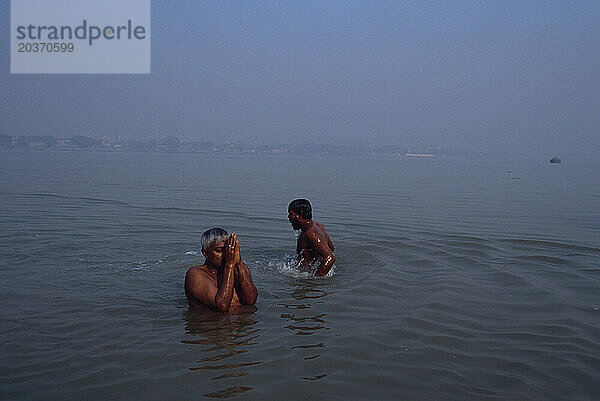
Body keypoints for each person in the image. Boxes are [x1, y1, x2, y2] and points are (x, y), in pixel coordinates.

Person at [185, 228, 258, 312]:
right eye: (219, 251)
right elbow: (222, 306)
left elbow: (251, 300)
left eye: (227, 250)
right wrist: (229, 265)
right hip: (213, 324)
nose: (226, 255)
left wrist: (239, 264)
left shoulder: (238, 269)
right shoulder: (195, 274)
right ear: (205, 253)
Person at [288, 199, 335, 276]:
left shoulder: (311, 234)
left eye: (291, 214)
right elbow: (331, 248)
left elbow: (330, 257)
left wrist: (314, 281)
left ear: (300, 215)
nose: (289, 217)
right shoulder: (318, 226)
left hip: (306, 275)